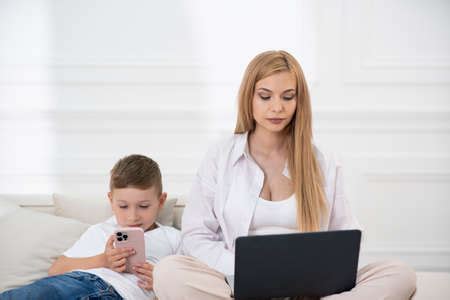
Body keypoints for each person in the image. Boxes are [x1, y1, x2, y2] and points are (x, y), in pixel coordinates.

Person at [152, 50, 417, 299]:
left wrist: (322, 276)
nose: (277, 107)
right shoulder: (221, 156)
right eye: (265, 96)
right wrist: (241, 271)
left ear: (298, 100)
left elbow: (346, 232)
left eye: (287, 96)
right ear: (250, 98)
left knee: (399, 274)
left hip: (309, 285)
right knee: (168, 272)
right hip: (237, 283)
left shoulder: (322, 160)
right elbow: (196, 235)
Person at [0, 154, 180, 300]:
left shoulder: (173, 238)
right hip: (75, 283)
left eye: (143, 206)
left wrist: (161, 281)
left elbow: (191, 284)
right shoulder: (100, 230)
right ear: (111, 200)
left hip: (120, 294)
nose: (132, 216)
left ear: (161, 200)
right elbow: (56, 269)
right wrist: (104, 261)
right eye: (123, 206)